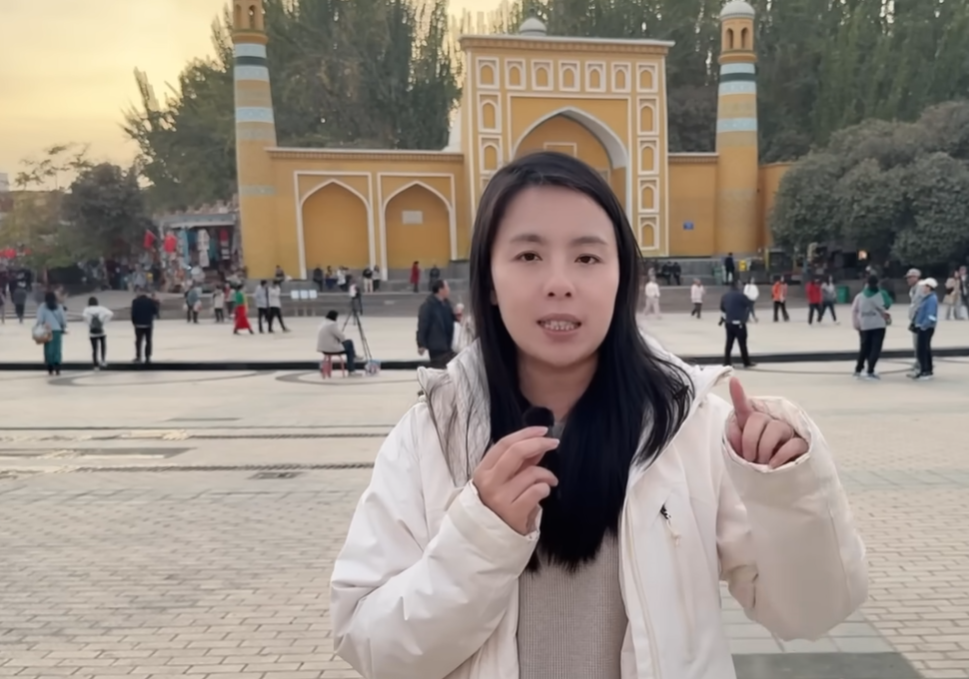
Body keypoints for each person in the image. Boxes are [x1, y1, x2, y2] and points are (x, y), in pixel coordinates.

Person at [330, 152, 867, 679]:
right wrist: (480, 535)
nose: (560, 282)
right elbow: (371, 643)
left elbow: (811, 613)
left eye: (587, 258)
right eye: (528, 256)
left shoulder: (692, 428)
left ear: (621, 276)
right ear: (489, 281)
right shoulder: (433, 435)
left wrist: (786, 492)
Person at [851, 275, 890, 380]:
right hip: (878, 324)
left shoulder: (860, 296)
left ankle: (858, 369)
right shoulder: (882, 294)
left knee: (864, 348)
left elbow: (854, 310)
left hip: (864, 324)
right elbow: (887, 304)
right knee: (875, 348)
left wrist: (856, 323)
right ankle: (870, 370)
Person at [416, 279, 456, 368]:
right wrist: (421, 344)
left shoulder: (447, 304)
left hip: (448, 345)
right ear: (440, 290)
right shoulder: (428, 306)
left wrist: (457, 316)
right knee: (439, 369)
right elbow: (423, 325)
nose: (449, 289)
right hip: (436, 346)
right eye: (447, 287)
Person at [721, 280, 755, 368]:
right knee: (742, 343)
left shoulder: (725, 296)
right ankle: (746, 362)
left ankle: (727, 362)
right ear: (737, 286)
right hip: (739, 323)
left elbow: (722, 308)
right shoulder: (741, 296)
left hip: (729, 322)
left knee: (729, 343)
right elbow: (749, 304)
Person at [912, 278, 939, 381]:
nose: (923, 288)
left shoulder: (931, 299)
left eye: (924, 286)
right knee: (925, 349)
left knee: (922, 350)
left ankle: (925, 370)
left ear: (929, 287)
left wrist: (923, 326)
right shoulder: (927, 298)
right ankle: (927, 370)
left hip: (926, 328)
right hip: (924, 326)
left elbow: (931, 315)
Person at [317, 310, 358, 375]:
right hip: (332, 348)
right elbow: (342, 337)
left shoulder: (322, 324)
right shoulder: (332, 325)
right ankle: (351, 370)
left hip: (323, 349)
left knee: (349, 348)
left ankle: (353, 355)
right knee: (349, 343)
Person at [36, 291, 67, 376]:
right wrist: (63, 326)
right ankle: (57, 365)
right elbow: (63, 319)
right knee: (57, 348)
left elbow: (40, 319)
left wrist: (39, 325)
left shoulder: (42, 306)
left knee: (48, 348)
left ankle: (50, 365)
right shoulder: (59, 306)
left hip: (47, 330)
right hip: (57, 330)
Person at [82, 296, 113, 370]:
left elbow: (84, 316)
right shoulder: (101, 308)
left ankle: (95, 364)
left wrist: (89, 323)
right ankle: (103, 361)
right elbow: (110, 313)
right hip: (101, 331)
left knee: (94, 349)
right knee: (103, 346)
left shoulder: (87, 310)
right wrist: (104, 322)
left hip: (92, 332)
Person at [905, 268, 925, 375]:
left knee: (920, 344)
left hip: (920, 321)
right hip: (915, 320)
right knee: (916, 344)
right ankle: (919, 362)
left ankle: (921, 365)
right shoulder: (913, 288)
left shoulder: (921, 287)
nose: (908, 280)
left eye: (910, 277)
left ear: (916, 277)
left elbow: (920, 304)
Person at [130, 288, 157, 364]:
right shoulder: (150, 301)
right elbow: (155, 311)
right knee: (148, 341)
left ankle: (138, 356)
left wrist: (134, 322)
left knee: (138, 341)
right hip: (148, 324)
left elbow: (133, 313)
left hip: (138, 324)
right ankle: (147, 357)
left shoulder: (135, 301)